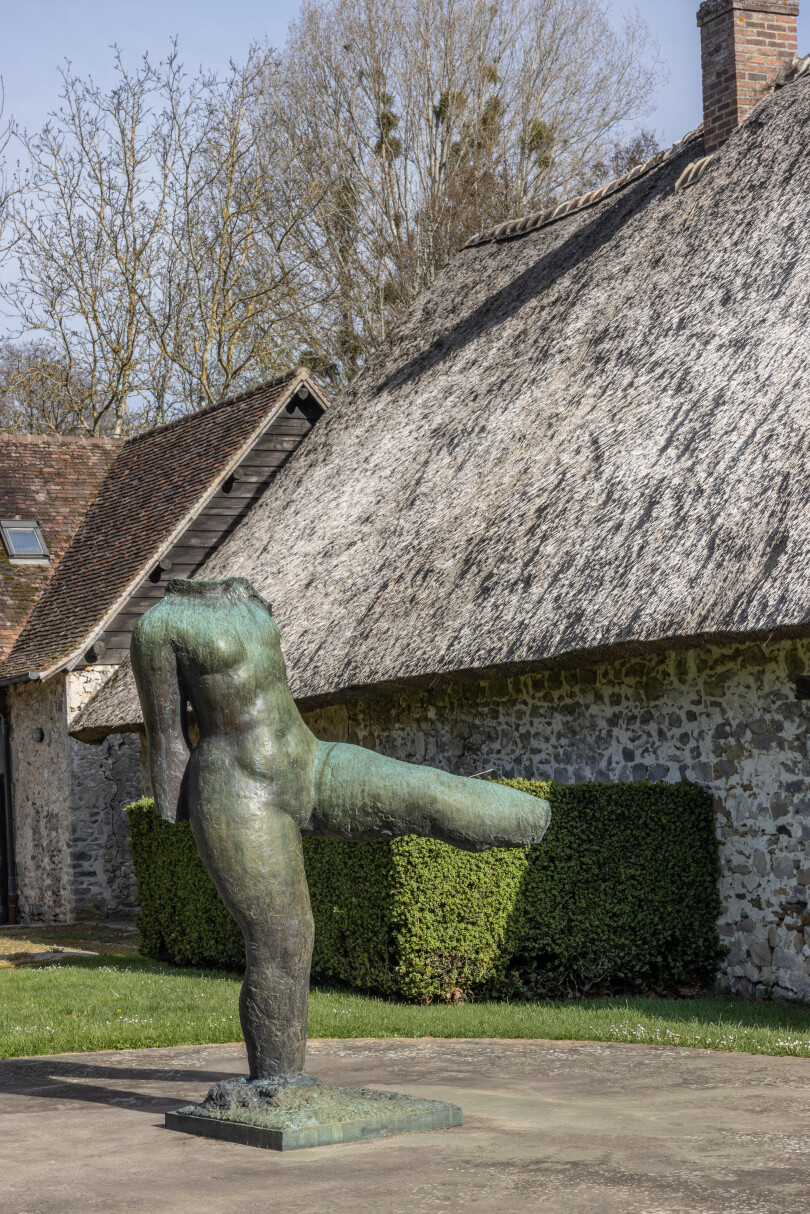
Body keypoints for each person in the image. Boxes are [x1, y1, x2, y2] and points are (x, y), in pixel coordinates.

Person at [132, 577, 550, 1087]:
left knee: (424, 792)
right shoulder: (159, 626)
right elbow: (168, 737)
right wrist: (188, 819)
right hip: (239, 789)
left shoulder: (248, 602)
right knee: (283, 941)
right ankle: (278, 1083)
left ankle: (535, 819)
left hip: (308, 760)